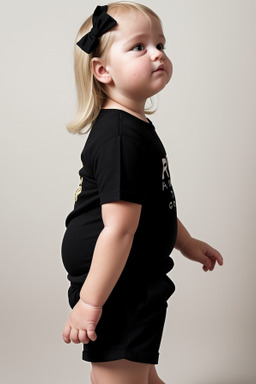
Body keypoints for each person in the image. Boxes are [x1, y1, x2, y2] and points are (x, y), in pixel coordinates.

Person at [61, 2, 223, 384]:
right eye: (139, 47)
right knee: (121, 375)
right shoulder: (120, 137)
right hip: (116, 286)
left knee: (138, 374)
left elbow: (153, 204)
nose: (158, 54)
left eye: (161, 44)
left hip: (131, 279)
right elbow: (118, 229)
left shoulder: (135, 128)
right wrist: (90, 302)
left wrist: (185, 242)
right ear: (102, 71)